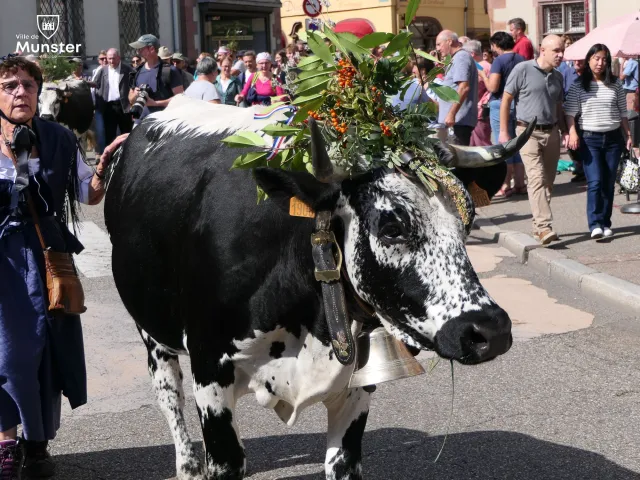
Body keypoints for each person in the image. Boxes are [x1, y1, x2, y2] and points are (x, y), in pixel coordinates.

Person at [0, 55, 110, 479]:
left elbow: (87, 194)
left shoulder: (58, 139)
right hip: (3, 263)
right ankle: (7, 443)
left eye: (27, 84)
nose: (19, 92)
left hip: (46, 258)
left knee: (45, 353)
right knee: (9, 355)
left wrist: (104, 167)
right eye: (9, 85)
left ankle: (37, 440)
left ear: (38, 90)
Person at [500, 34, 568, 245]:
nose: (560, 55)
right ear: (542, 50)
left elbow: (558, 106)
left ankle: (538, 227)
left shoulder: (558, 76)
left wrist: (565, 131)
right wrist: (504, 130)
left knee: (548, 182)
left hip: (552, 132)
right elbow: (506, 99)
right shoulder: (523, 69)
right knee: (536, 178)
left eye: (562, 51)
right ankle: (545, 226)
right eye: (556, 50)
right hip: (527, 132)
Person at [565, 44, 632, 240]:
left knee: (608, 184)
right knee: (594, 182)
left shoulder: (615, 85)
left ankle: (605, 222)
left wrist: (628, 135)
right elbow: (570, 113)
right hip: (589, 139)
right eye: (596, 58)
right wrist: (573, 133)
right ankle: (594, 224)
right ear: (588, 60)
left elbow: (622, 113)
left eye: (604, 59)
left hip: (613, 139)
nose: (600, 63)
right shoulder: (579, 85)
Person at [479, 31, 526, 197]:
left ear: (496, 45)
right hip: (519, 104)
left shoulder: (499, 61)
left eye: (493, 46)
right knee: (518, 144)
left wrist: (484, 75)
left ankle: (505, 185)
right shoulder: (522, 59)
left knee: (503, 144)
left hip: (501, 105)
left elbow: (493, 87)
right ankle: (520, 183)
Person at [435, 30, 478, 146]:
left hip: (458, 122)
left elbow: (463, 87)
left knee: (456, 160)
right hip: (454, 122)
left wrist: (451, 113)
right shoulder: (456, 58)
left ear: (449, 41)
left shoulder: (461, 57)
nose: (437, 49)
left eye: (439, 44)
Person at [128, 34, 184, 121]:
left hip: (164, 122)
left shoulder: (170, 71)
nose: (138, 51)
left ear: (152, 49)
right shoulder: (136, 71)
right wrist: (134, 95)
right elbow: (130, 98)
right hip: (141, 122)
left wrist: (155, 103)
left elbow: (180, 98)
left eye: (141, 48)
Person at [93, 48, 133, 148]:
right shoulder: (103, 70)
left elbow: (134, 84)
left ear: (119, 57)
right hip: (109, 106)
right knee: (109, 134)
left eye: (113, 58)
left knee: (126, 133)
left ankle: (126, 155)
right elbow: (95, 84)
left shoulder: (127, 69)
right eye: (109, 59)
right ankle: (111, 159)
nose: (111, 61)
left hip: (124, 106)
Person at [464, 40, 493, 147]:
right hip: (483, 109)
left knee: (481, 144)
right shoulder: (488, 65)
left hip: (480, 110)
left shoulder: (479, 67)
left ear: (472, 54)